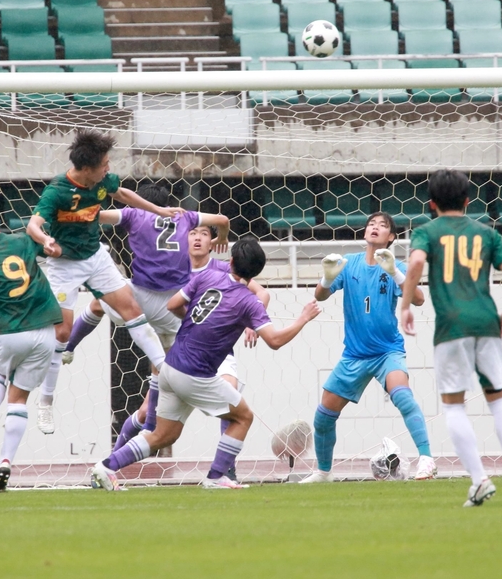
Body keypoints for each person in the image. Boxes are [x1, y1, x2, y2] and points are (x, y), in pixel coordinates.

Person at [90, 237, 321, 491]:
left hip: (170, 367)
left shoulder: (206, 277)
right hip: (195, 375)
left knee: (161, 436)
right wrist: (303, 318)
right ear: (257, 272)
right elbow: (275, 341)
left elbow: (173, 304)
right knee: (243, 417)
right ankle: (216, 476)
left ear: (230, 261)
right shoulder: (249, 302)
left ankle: (106, 465)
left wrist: (193, 321)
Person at [26, 130, 183, 435]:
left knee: (133, 311)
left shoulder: (102, 182)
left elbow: (123, 195)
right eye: (105, 164)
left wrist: (159, 210)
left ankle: (164, 367)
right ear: (87, 169)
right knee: (61, 333)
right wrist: (46, 240)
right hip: (64, 264)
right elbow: (34, 224)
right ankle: (45, 402)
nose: (109, 168)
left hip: (96, 257)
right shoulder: (57, 191)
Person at [61, 182, 230, 444]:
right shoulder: (184, 215)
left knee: (97, 303)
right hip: (173, 305)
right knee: (164, 369)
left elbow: (95, 217)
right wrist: (222, 237)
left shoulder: (132, 214)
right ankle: (152, 422)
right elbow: (223, 219)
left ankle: (69, 346)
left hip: (138, 299)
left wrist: (68, 213)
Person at [400, 169, 502, 507]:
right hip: (486, 322)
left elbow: (414, 266)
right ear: (468, 201)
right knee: (499, 399)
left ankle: (480, 480)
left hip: (451, 327)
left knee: (454, 406)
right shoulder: (486, 233)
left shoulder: (426, 231)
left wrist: (405, 306)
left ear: (431, 203)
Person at [108, 222, 269, 477]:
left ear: (213, 243)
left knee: (232, 394)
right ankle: (111, 463)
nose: (197, 238)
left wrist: (254, 322)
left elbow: (261, 293)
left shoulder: (220, 268)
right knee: (146, 414)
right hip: (179, 346)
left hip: (215, 351)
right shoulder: (172, 268)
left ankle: (226, 471)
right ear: (182, 239)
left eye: (204, 234)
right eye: (192, 232)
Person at [299, 212, 436, 484]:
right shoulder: (347, 263)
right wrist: (327, 279)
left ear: (392, 237)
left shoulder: (394, 266)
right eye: (371, 224)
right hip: (354, 354)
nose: (375, 227)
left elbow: (419, 299)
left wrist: (395, 272)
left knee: (403, 397)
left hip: (387, 351)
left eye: (383, 226)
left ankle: (427, 460)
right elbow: (319, 295)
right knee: (323, 417)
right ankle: (324, 472)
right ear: (365, 232)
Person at [0, 198, 63, 492]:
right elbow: (46, 248)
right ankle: (5, 462)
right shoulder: (21, 241)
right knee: (19, 400)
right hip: (45, 330)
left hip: (10, 331)